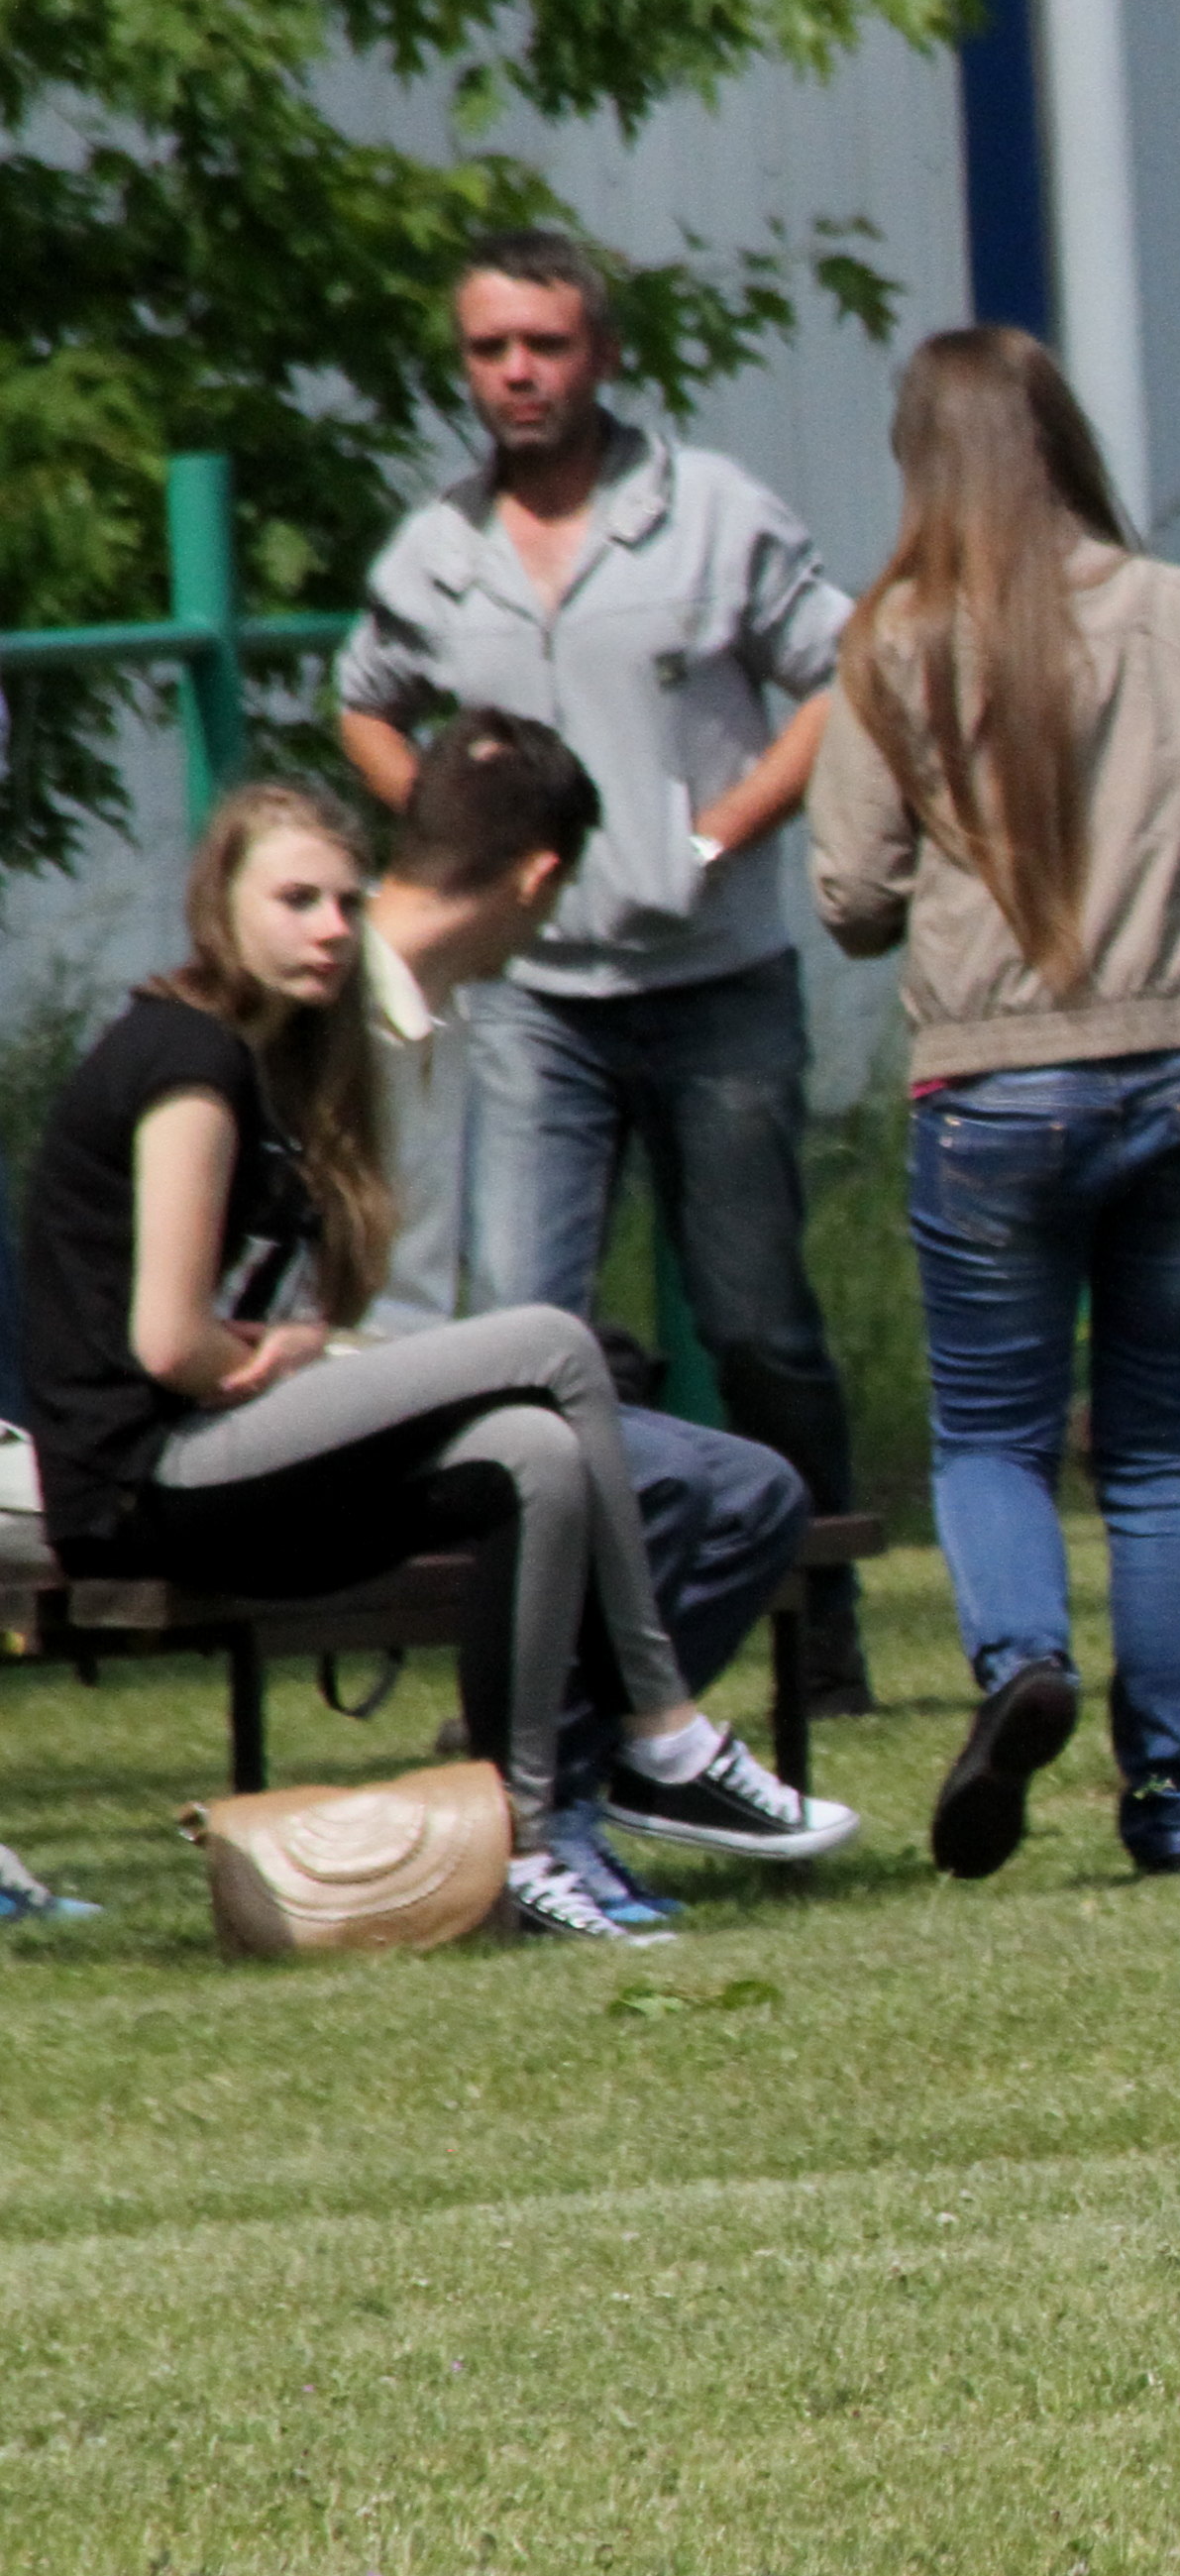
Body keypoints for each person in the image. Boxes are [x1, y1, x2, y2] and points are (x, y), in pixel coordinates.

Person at [16, 784, 852, 1945]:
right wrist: (293, 1356)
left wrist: (293, 1353)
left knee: (531, 1449)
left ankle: (528, 1844)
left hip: (219, 1453)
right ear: (219, 904)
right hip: (142, 1481)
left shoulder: (280, 1056)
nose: (330, 929)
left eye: (346, 903)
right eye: (296, 900)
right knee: (553, 1344)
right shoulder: (186, 1056)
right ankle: (662, 1732)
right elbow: (168, 1343)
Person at [327, 223, 878, 1729]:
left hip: (717, 981)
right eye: (490, 349)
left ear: (604, 354)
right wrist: (450, 834)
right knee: (522, 1326)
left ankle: (820, 1620)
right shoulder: (439, 550)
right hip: (535, 1003)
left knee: (756, 1324)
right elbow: (365, 701)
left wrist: (718, 833)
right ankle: (535, 1644)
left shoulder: (711, 515)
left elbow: (845, 676)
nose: (518, 373)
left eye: (547, 344)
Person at [816, 327, 1180, 1881]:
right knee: (1158, 1455)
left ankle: (1023, 1660)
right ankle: (1172, 1802)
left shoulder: (892, 642)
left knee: (991, 1438)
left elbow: (852, 897)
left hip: (994, 1088)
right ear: (1065, 441)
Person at [358, 705, 815, 1927]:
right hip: (344, 1418)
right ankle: (543, 1818)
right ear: (539, 880)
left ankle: (604, 1784)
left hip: (425, 1397)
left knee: (753, 1491)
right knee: (613, 1464)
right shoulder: (334, 1012)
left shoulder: (446, 1011)